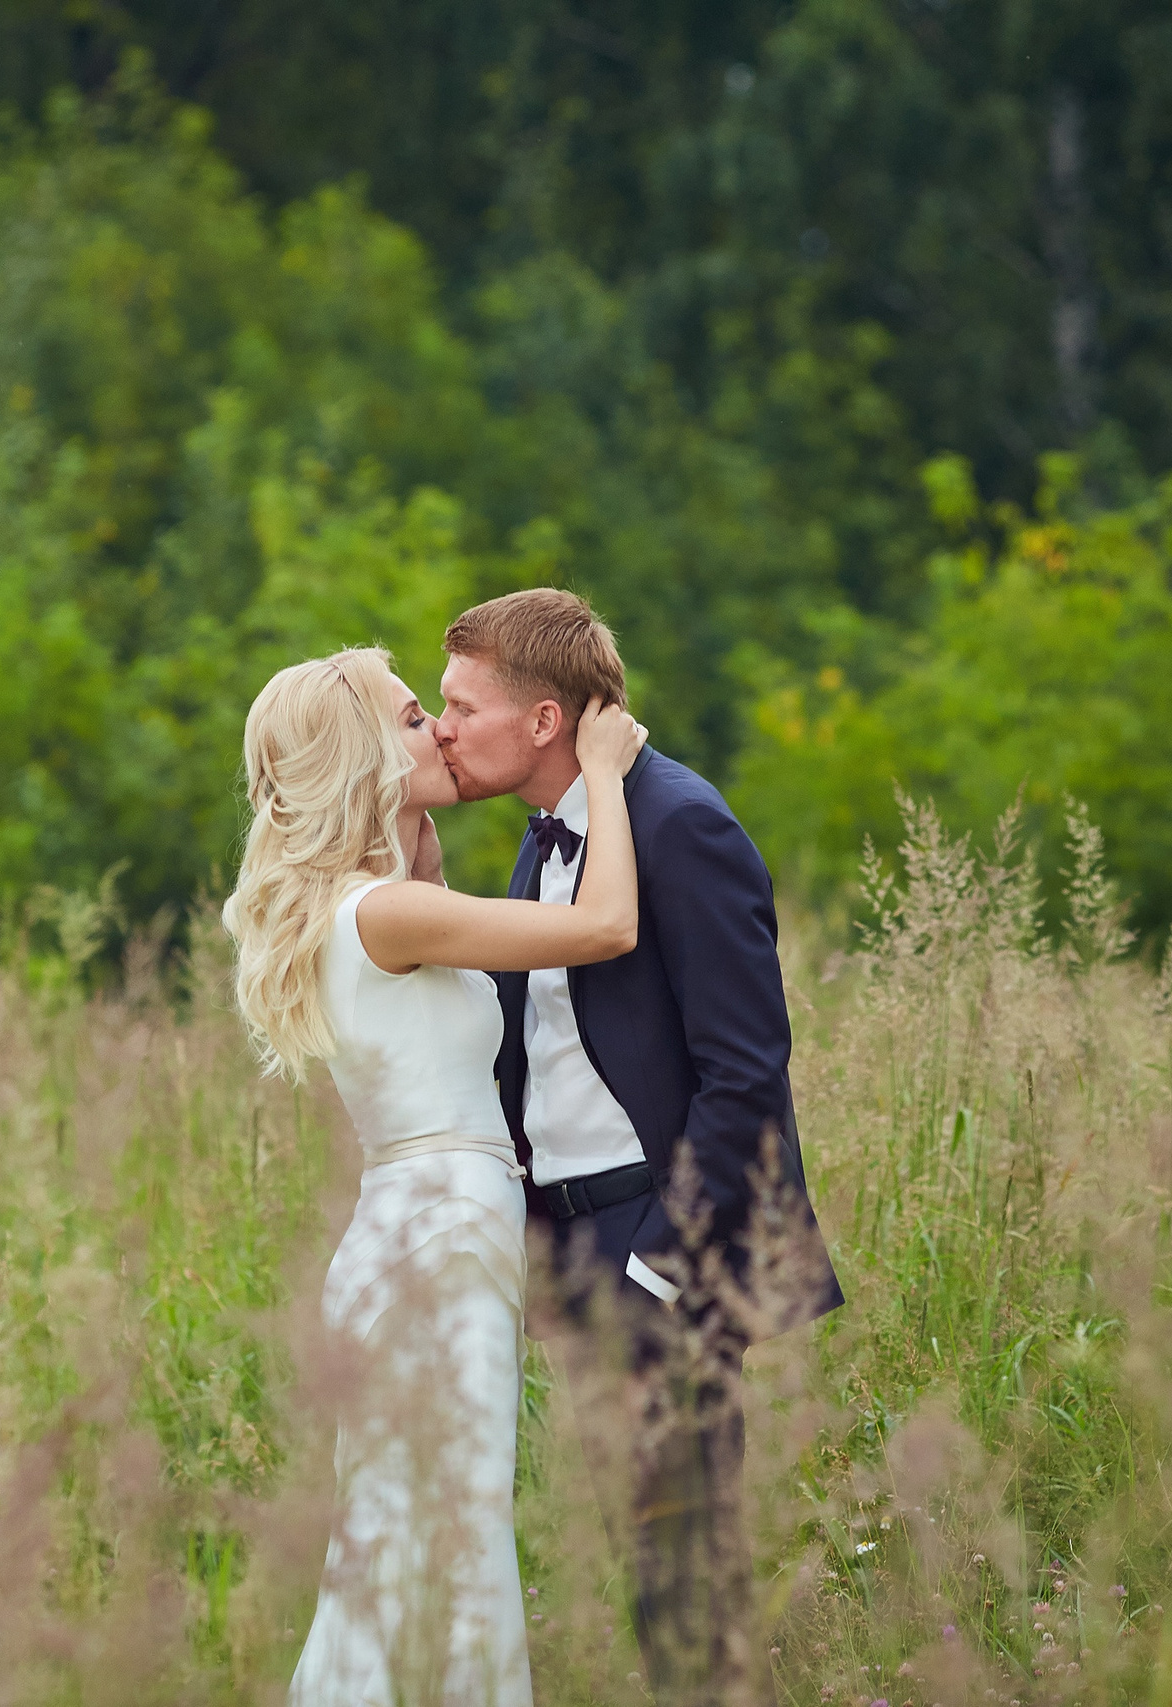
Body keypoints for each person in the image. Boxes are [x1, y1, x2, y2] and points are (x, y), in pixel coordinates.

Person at [433, 587, 843, 1701]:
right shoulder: (547, 838)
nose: (441, 726)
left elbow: (746, 1073)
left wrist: (662, 1265)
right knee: (640, 1560)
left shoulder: (678, 823)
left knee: (684, 1577)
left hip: (656, 1244)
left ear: (543, 722)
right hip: (573, 1248)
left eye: (460, 704)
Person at [222, 645, 647, 1707]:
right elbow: (604, 929)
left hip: (415, 1229)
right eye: (418, 720)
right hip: (443, 1236)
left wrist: (417, 821)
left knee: (404, 1532)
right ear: (367, 754)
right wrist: (601, 768)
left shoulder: (375, 901)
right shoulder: (385, 916)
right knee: (445, 1532)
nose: (444, 732)